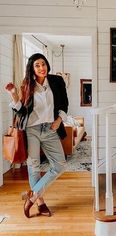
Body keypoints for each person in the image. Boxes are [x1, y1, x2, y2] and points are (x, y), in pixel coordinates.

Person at [5, 53, 69, 218]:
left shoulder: (56, 81)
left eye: (43, 64)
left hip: (50, 129)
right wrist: (13, 94)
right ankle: (40, 203)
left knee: (60, 164)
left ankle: (32, 196)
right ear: (32, 68)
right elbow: (22, 111)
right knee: (34, 167)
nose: (42, 68)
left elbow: (64, 103)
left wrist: (59, 120)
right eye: (37, 65)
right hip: (31, 130)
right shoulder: (28, 84)